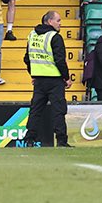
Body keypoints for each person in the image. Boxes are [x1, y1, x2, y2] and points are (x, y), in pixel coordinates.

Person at [22, 11, 71, 147]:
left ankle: (29, 139)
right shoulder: (55, 37)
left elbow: (27, 58)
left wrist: (34, 74)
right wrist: (66, 78)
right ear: (50, 21)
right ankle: (61, 141)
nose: (60, 23)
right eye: (58, 20)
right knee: (58, 111)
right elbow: (60, 60)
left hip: (39, 81)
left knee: (35, 111)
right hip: (55, 80)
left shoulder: (32, 35)